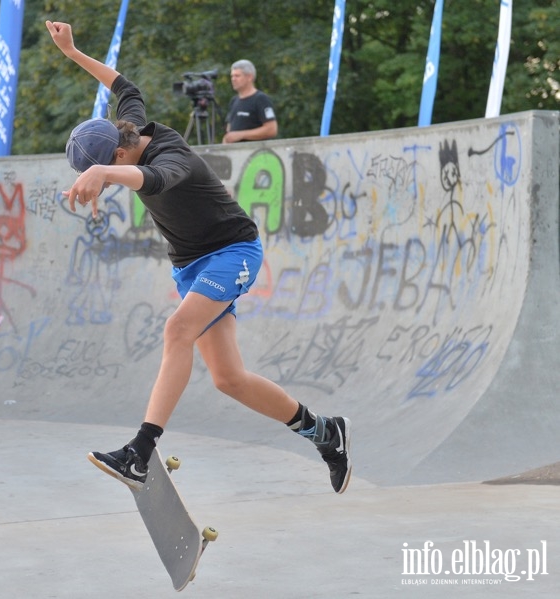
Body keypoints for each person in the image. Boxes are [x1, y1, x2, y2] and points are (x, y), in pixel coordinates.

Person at [45, 20, 351, 494]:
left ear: (121, 153)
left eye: (107, 173)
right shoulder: (126, 126)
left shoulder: (171, 156)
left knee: (176, 329)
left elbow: (154, 182)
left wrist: (103, 172)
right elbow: (123, 84)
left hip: (234, 252)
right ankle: (324, 431)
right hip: (190, 266)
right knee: (229, 378)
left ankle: (139, 453)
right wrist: (72, 52)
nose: (103, 183)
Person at [222, 59, 278, 144]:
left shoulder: (260, 99)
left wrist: (241, 135)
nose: (233, 79)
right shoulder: (234, 101)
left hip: (256, 154)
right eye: (232, 76)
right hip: (235, 154)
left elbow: (271, 129)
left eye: (237, 76)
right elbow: (229, 131)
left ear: (249, 77)